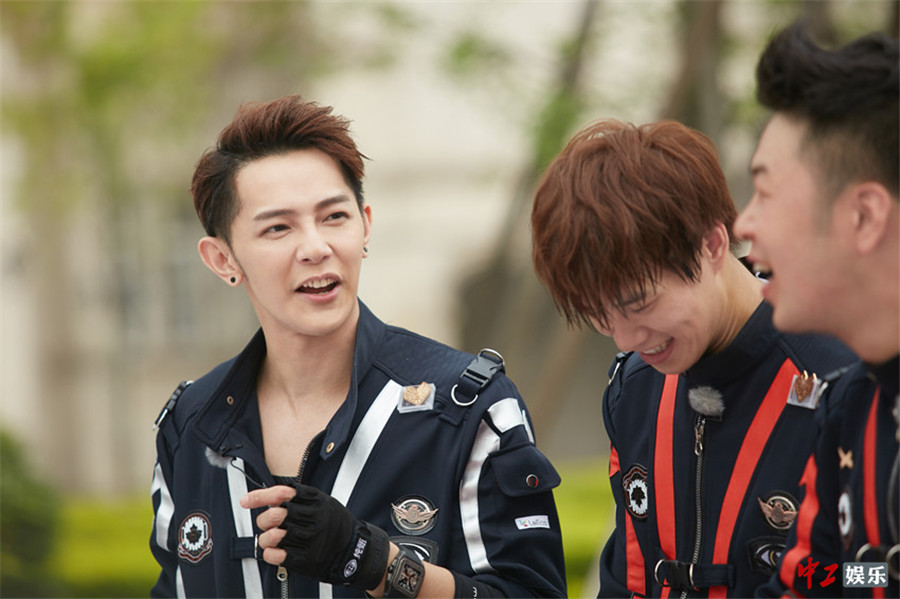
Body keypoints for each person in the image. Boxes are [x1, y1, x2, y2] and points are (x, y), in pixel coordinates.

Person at [149, 95, 567, 599]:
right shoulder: (192, 424)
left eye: (334, 216)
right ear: (222, 259)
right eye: (278, 227)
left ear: (365, 224)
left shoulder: (467, 409)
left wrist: (375, 563)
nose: (315, 247)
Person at [531, 118, 856, 598]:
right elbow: (629, 579)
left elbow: (878, 575)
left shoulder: (846, 381)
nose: (626, 338)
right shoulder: (633, 389)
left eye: (639, 304)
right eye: (599, 316)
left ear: (713, 244)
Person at [734, 20, 898, 597]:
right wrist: (876, 576)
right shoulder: (852, 407)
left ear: (863, 216)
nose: (744, 223)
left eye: (765, 191)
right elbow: (813, 578)